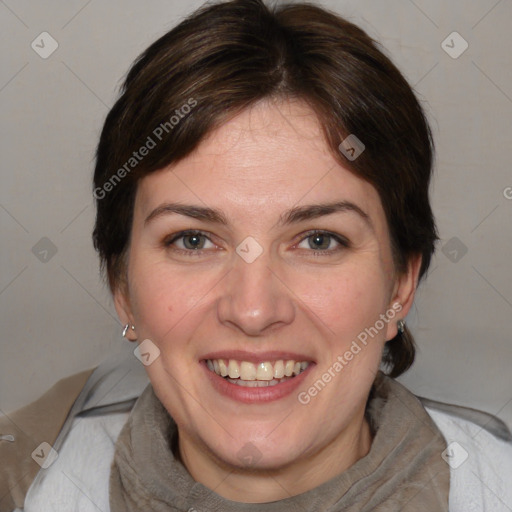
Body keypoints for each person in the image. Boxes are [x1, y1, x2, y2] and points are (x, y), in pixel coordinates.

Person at [1, 1, 511, 511]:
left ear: (400, 284)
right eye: (193, 240)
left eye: (318, 240)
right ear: (123, 288)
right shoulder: (21, 486)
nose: (253, 310)